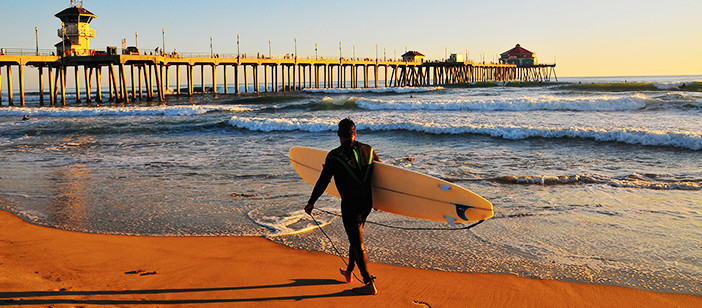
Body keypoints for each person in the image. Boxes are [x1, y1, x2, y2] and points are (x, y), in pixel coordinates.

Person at [304, 118, 380, 295]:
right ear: (355, 134)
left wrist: (311, 202)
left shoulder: (334, 156)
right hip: (366, 203)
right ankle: (349, 271)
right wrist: (381, 201)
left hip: (350, 205)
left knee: (356, 242)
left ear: (339, 135)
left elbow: (323, 181)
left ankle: (369, 284)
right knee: (356, 237)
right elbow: (383, 177)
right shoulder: (369, 150)